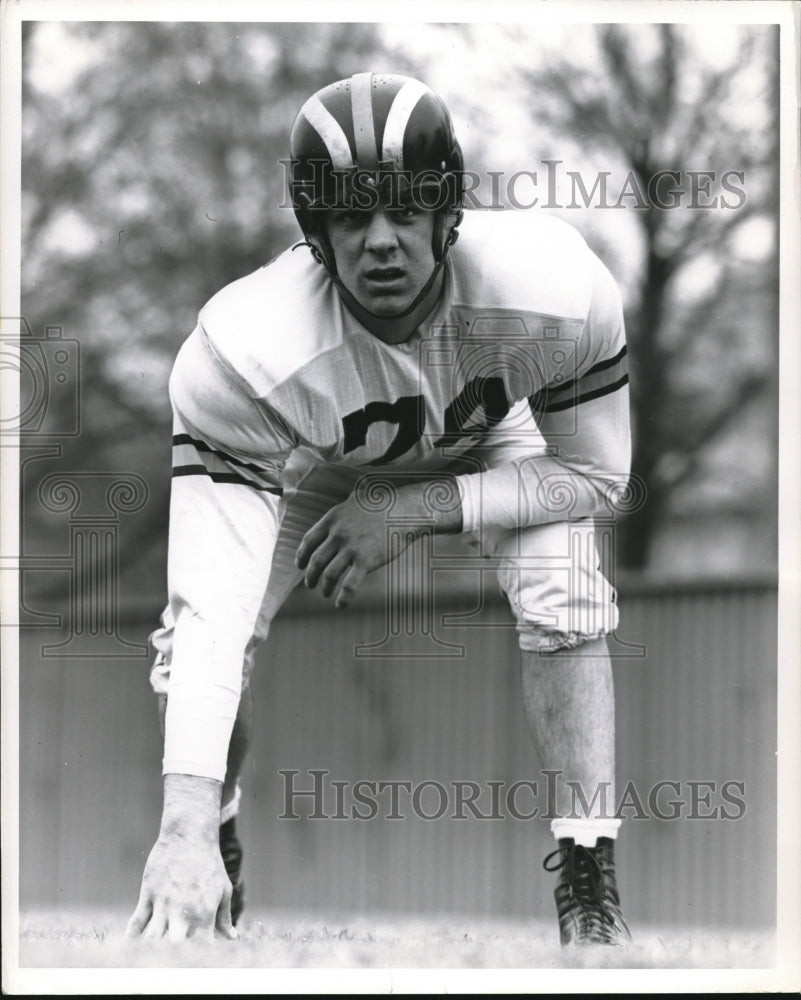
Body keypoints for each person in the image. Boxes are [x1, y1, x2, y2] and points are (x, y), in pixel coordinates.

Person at [126, 71, 632, 947]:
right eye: (350, 216)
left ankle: (589, 881)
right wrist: (180, 824)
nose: (381, 242)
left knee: (568, 591)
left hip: (491, 443)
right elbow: (211, 610)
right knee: (200, 645)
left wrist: (410, 509)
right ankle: (216, 841)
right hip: (320, 463)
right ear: (314, 234)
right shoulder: (243, 350)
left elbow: (595, 478)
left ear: (448, 215)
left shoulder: (552, 288)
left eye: (403, 209)